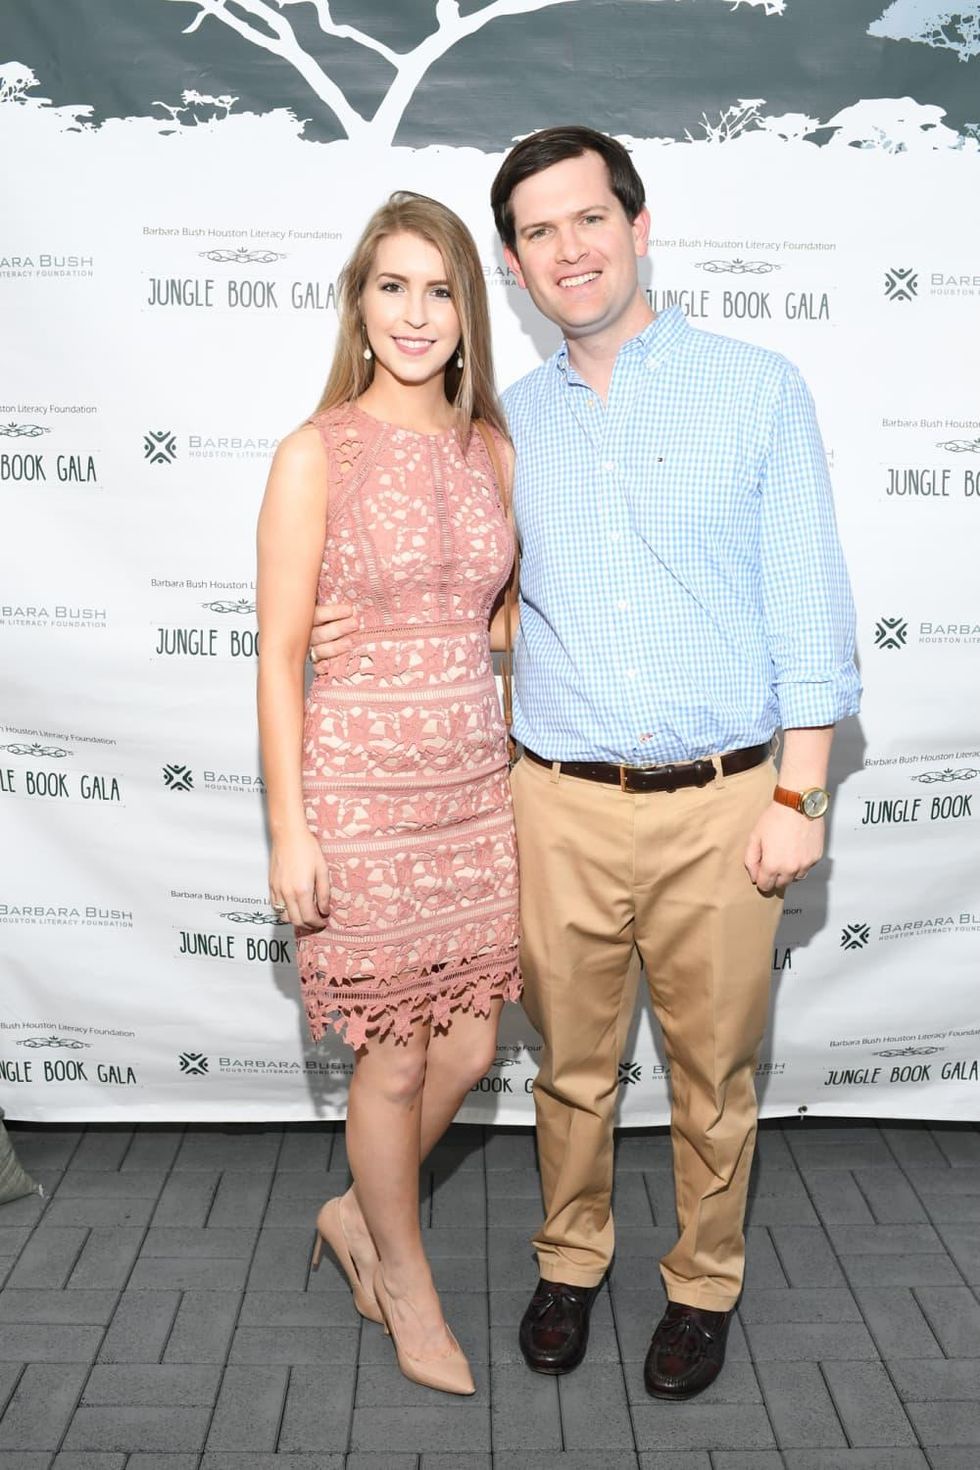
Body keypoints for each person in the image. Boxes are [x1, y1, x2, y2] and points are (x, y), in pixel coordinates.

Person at [310, 127, 860, 1402]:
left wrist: (801, 790)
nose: (568, 247)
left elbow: (807, 606)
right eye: (538, 231)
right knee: (566, 1067)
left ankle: (701, 1282)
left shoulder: (756, 387)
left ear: (637, 224)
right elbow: (476, 597)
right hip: (548, 803)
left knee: (714, 1074)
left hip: (728, 804)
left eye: (587, 218)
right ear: (512, 262)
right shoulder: (499, 434)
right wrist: (351, 620)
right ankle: (570, 1260)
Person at [256, 191, 521, 1397]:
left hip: (474, 792)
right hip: (357, 797)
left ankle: (357, 1212)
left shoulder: (491, 452)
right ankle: (404, 1285)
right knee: (396, 1065)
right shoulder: (315, 452)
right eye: (392, 287)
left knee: (468, 1047)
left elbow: (501, 620)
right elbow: (276, 656)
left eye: (439, 288)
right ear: (360, 308)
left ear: (468, 312)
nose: (416, 313)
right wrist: (288, 833)